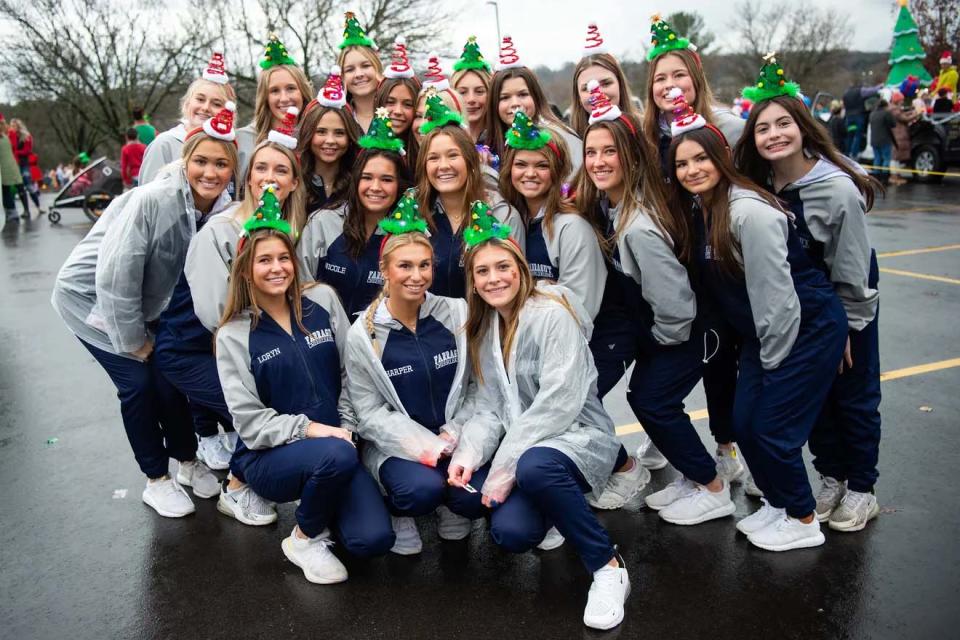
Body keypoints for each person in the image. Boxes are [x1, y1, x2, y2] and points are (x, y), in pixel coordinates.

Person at [668, 101, 848, 551]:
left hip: (802, 328)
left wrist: (772, 363)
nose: (692, 169)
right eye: (682, 163)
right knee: (744, 424)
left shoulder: (750, 213)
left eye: (701, 158)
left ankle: (803, 518)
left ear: (722, 158)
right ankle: (780, 503)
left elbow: (779, 301)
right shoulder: (704, 209)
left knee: (772, 429)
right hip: (762, 333)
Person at [449, 209, 628, 630]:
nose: (494, 279)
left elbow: (559, 404)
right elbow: (490, 406)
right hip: (528, 446)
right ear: (473, 281)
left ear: (520, 268)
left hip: (574, 436)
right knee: (497, 522)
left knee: (536, 467)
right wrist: (470, 455)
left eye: (503, 267)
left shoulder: (551, 314)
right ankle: (553, 504)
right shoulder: (485, 326)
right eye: (483, 271)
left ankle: (607, 565)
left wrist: (503, 470)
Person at [51, 119, 238, 518]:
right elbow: (117, 276)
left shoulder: (221, 204)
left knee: (168, 382)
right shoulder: (154, 200)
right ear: (185, 160)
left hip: (146, 303)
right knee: (138, 385)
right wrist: (134, 340)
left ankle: (188, 462)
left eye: (221, 164)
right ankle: (156, 479)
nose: (211, 172)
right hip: (92, 300)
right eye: (201, 161)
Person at [736, 58, 883, 533]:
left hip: (844, 294)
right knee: (813, 396)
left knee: (853, 392)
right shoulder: (760, 184)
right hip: (795, 300)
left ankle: (862, 488)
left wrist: (847, 325)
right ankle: (831, 477)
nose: (775, 135)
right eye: (763, 128)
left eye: (784, 124)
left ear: (803, 127)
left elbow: (852, 267)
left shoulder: (837, 188)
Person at [575, 87, 733, 521]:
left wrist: (659, 342)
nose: (599, 161)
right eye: (591, 152)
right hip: (665, 326)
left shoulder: (638, 225)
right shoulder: (611, 206)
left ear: (631, 156)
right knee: (649, 398)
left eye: (610, 151)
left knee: (652, 399)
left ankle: (714, 487)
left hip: (688, 329)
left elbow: (676, 302)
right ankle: (692, 476)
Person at [216, 215, 394, 584]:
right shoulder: (233, 335)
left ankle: (324, 500)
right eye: (264, 260)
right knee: (336, 455)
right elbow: (249, 422)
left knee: (373, 539)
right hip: (269, 458)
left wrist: (345, 425)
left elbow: (352, 372)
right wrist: (312, 430)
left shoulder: (322, 300)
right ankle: (304, 538)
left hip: (337, 449)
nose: (277, 268)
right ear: (246, 271)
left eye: (284, 258)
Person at [154, 116, 306, 525]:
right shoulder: (222, 231)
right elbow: (213, 317)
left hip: (246, 349)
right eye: (261, 168)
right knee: (261, 410)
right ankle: (237, 488)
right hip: (193, 350)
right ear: (248, 177)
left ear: (294, 182)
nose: (270, 178)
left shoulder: (292, 230)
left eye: (281, 170)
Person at [344, 203, 488, 555]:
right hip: (399, 448)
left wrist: (454, 435)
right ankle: (400, 510)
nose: (417, 275)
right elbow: (369, 412)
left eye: (424, 265)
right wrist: (430, 447)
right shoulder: (362, 335)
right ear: (384, 269)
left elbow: (477, 386)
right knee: (419, 490)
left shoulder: (456, 313)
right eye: (405, 266)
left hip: (457, 436)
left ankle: (449, 504)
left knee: (475, 499)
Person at [642, 16, 747, 480]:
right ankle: (665, 433)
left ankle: (727, 445)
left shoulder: (726, 126)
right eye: (660, 78)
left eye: (678, 74)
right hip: (675, 260)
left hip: (721, 258)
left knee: (721, 359)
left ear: (696, 78)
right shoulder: (649, 135)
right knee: (672, 356)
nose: (670, 85)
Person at [298, 109, 410, 317]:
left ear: (399, 185)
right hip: (322, 338)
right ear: (356, 180)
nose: (375, 187)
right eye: (367, 177)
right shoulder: (323, 222)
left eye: (386, 180)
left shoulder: (408, 236)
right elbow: (301, 288)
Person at [499, 110, 606, 319]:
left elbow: (580, 308)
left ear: (557, 171)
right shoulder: (512, 219)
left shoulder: (572, 227)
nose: (530, 173)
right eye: (521, 164)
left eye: (542, 165)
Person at [415, 113, 524, 298]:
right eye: (433, 158)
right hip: (427, 324)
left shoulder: (501, 215)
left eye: (452, 155)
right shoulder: (414, 214)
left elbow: (516, 283)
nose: (443, 166)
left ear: (470, 161)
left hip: (485, 324)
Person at [487, 36, 583, 179]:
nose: (515, 103)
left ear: (536, 97)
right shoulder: (492, 144)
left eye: (523, 94)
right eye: (505, 97)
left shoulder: (560, 137)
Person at [140, 52, 237, 184]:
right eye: (200, 99)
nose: (206, 107)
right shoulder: (165, 144)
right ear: (187, 103)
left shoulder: (229, 148)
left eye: (216, 104)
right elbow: (145, 197)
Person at [236, 36, 313, 180]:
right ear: (265, 98)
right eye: (274, 91)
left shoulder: (314, 138)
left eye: (291, 88)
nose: (284, 98)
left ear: (303, 93)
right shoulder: (243, 140)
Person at [296, 66, 361, 213]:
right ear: (308, 134)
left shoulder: (359, 182)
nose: (330, 140)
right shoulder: (295, 181)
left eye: (339, 133)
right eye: (321, 132)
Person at [570, 22, 639, 139]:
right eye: (586, 88)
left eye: (606, 83)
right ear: (578, 96)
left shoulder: (644, 131)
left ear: (619, 84)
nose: (598, 93)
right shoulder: (571, 142)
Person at [374, 38, 422, 169]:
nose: (398, 111)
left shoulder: (425, 155)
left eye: (407, 104)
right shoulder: (366, 151)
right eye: (390, 102)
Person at [337, 12, 384, 133]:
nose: (358, 74)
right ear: (342, 77)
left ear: (377, 68)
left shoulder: (395, 112)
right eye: (350, 69)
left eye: (366, 66)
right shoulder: (338, 117)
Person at [451, 36, 493, 145]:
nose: (471, 99)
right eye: (462, 92)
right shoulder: (444, 139)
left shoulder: (505, 140)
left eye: (479, 91)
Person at [842, 76, 881, 158]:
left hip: (849, 118)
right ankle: (854, 154)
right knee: (857, 135)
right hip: (858, 116)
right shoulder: (860, 91)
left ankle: (846, 154)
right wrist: (880, 86)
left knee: (850, 135)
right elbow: (872, 91)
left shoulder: (845, 93)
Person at [9, 118, 41, 216]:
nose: (12, 128)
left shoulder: (26, 137)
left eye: (14, 126)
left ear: (18, 126)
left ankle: (38, 206)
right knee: (20, 188)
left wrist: (16, 152)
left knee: (28, 185)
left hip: (23, 163)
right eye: (11, 126)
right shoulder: (10, 136)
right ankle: (26, 210)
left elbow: (27, 151)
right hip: (15, 164)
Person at [0, 115, 24, 224]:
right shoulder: (5, 136)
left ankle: (11, 213)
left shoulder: (5, 137)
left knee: (6, 192)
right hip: (10, 166)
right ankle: (12, 212)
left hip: (5, 168)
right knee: (8, 191)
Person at [868, 99, 897, 184]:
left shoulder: (872, 114)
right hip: (885, 140)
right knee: (886, 159)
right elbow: (893, 124)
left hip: (874, 140)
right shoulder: (886, 113)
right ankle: (884, 178)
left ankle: (876, 177)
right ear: (885, 106)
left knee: (877, 158)